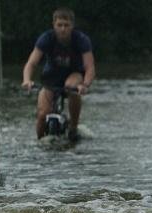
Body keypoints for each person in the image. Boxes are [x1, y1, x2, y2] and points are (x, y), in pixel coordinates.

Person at [21, 7, 96, 141]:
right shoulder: (46, 38)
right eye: (59, 25)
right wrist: (27, 80)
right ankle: (40, 143)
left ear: (72, 26)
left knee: (71, 86)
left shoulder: (81, 40)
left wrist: (85, 85)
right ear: (54, 25)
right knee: (42, 114)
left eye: (66, 25)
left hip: (74, 74)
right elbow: (31, 63)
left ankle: (73, 127)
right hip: (51, 78)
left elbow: (89, 67)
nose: (63, 29)